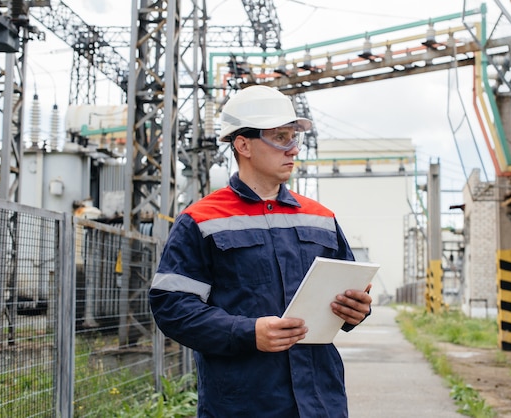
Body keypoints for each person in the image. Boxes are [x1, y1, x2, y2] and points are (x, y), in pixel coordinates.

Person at [149, 85, 372, 417]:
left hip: (320, 402)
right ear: (243, 144)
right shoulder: (201, 220)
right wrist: (247, 332)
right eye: (281, 137)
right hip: (244, 404)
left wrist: (357, 310)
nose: (293, 149)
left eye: (294, 137)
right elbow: (172, 308)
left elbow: (348, 292)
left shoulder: (320, 219)